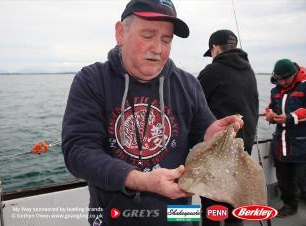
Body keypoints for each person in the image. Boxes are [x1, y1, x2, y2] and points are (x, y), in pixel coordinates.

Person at [62, 1, 243, 225]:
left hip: (180, 216)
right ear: (121, 33)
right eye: (148, 35)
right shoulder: (91, 80)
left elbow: (201, 143)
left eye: (166, 40)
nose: (157, 48)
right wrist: (139, 180)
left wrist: (210, 140)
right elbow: (78, 151)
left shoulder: (188, 84)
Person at [197, 29, 259, 226]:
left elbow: (194, 105)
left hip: (219, 151)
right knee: (234, 199)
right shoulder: (248, 70)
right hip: (243, 147)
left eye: (211, 52)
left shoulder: (212, 71)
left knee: (211, 202)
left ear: (215, 48)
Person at [263, 59, 306, 225]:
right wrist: (270, 113)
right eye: (280, 79)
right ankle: (289, 205)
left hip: (303, 146)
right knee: (284, 181)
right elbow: (271, 107)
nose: (283, 82)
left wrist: (291, 117)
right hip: (281, 145)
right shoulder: (275, 90)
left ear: (294, 74)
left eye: (287, 79)